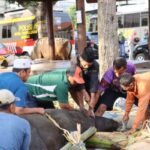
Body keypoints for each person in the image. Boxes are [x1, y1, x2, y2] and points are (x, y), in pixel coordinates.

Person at [70, 47, 99, 114]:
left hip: (88, 80)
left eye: (89, 65)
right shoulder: (74, 63)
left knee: (93, 99)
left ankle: (91, 110)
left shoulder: (95, 65)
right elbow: (78, 80)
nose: (86, 67)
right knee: (76, 88)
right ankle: (81, 107)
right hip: (77, 80)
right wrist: (84, 92)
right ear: (80, 59)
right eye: (85, 64)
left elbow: (93, 82)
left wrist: (91, 104)